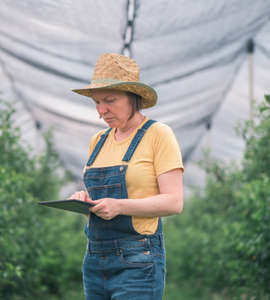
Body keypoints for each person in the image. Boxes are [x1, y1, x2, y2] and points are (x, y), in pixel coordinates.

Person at [70, 53, 184, 300]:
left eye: (109, 100)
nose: (102, 111)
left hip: (138, 261)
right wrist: (85, 199)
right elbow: (105, 199)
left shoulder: (158, 135)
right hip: (94, 260)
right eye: (97, 102)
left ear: (134, 97)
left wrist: (119, 206)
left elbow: (174, 202)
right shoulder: (98, 141)